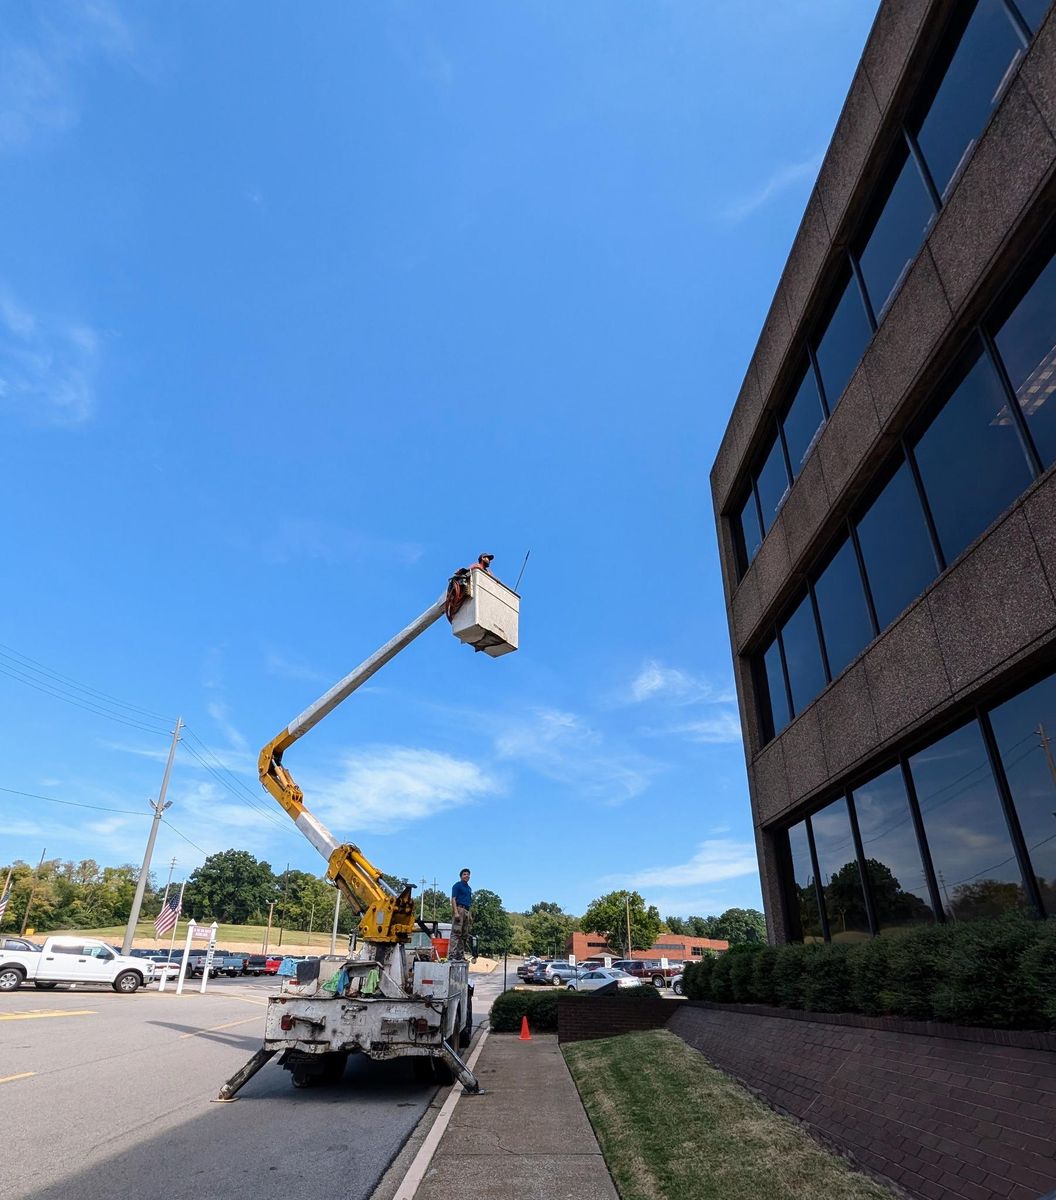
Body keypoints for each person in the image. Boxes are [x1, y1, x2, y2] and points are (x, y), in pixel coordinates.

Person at [449, 868, 473, 961]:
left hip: (466, 910)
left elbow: (469, 902)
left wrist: (469, 914)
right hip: (459, 908)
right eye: (464, 874)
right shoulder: (457, 885)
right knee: (456, 932)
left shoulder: (469, 888)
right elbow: (453, 899)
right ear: (461, 876)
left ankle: (460, 955)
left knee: (464, 934)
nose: (466, 876)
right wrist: (456, 912)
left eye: (468, 874)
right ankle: (452, 954)